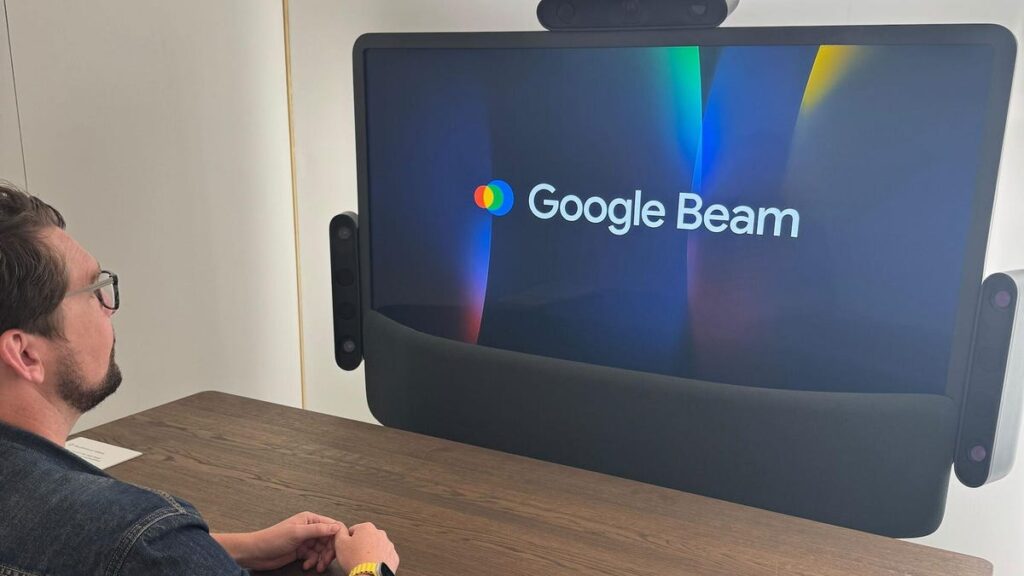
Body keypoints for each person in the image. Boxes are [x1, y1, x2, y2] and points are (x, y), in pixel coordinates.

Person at [0, 183, 400, 576]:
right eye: (93, 290)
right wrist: (369, 565)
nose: (109, 309)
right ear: (25, 354)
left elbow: (97, 552)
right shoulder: (146, 537)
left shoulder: (139, 542)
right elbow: (139, 551)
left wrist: (236, 547)